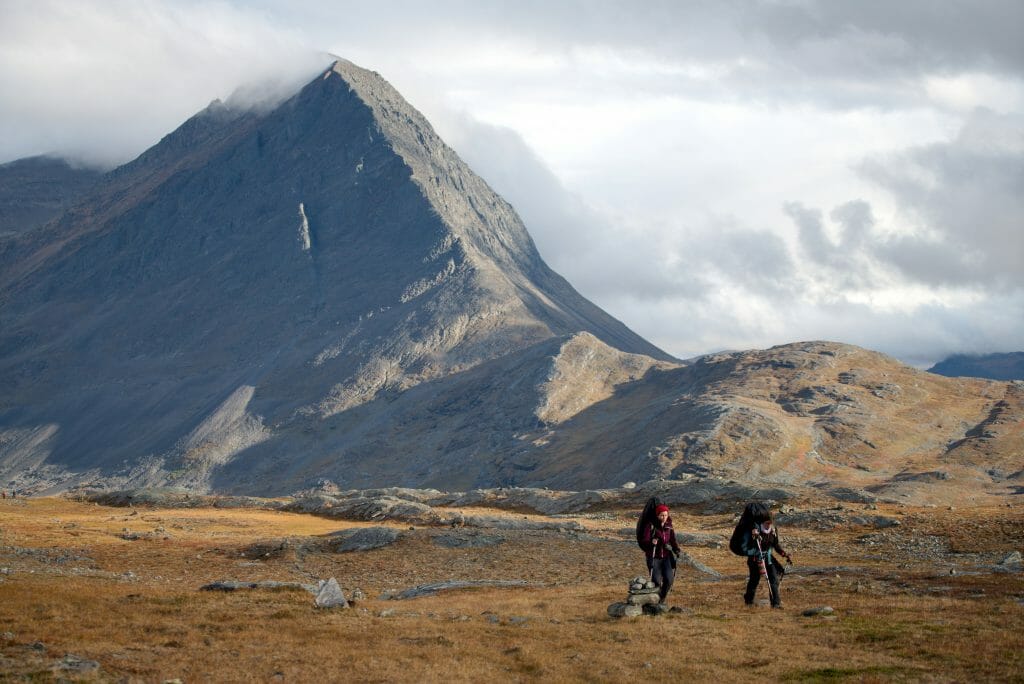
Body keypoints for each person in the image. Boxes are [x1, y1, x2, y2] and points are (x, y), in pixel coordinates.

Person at [740, 506, 791, 608]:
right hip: (755, 558)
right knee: (755, 579)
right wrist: (754, 535)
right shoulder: (755, 529)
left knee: (773, 579)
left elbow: (775, 545)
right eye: (767, 523)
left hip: (768, 558)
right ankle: (749, 600)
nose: (769, 525)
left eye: (770, 523)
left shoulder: (773, 531)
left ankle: (775, 603)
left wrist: (784, 554)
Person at [641, 503, 681, 604]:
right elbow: (645, 541)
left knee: (669, 580)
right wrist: (651, 542)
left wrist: (676, 549)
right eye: (662, 515)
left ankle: (661, 599)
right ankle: (654, 601)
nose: (664, 517)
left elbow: (672, 539)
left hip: (666, 556)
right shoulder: (651, 525)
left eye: (666, 515)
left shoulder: (669, 526)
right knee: (657, 581)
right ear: (657, 515)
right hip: (653, 557)